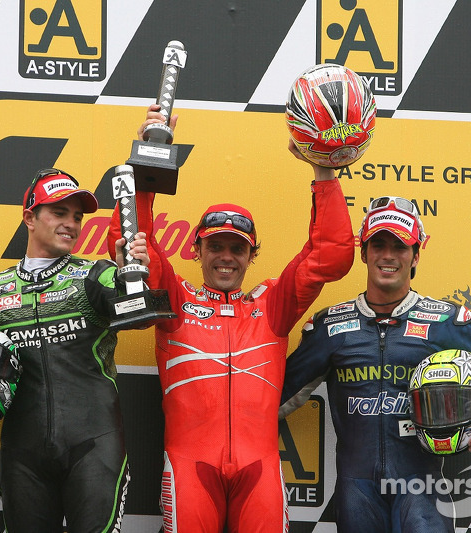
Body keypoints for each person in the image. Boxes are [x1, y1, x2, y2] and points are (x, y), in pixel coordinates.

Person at [108, 105, 355, 532]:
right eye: (216, 246)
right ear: (195, 251)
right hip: (190, 467)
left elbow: (331, 257)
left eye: (237, 248)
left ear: (251, 256)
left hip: (258, 470)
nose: (226, 257)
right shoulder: (176, 300)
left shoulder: (272, 304)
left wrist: (324, 173)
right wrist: (149, 154)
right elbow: (131, 243)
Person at [279, 196, 471, 532]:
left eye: (400, 247)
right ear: (364, 253)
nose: (388, 255)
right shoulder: (330, 326)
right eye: (378, 244)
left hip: (421, 491)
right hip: (357, 492)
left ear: (415, 256)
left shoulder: (445, 321)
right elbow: (274, 397)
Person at [0, 168, 149, 533]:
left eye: (77, 216)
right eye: (59, 213)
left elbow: (140, 316)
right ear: (29, 217)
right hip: (23, 454)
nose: (71, 224)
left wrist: (131, 275)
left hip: (94, 444)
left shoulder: (95, 274)